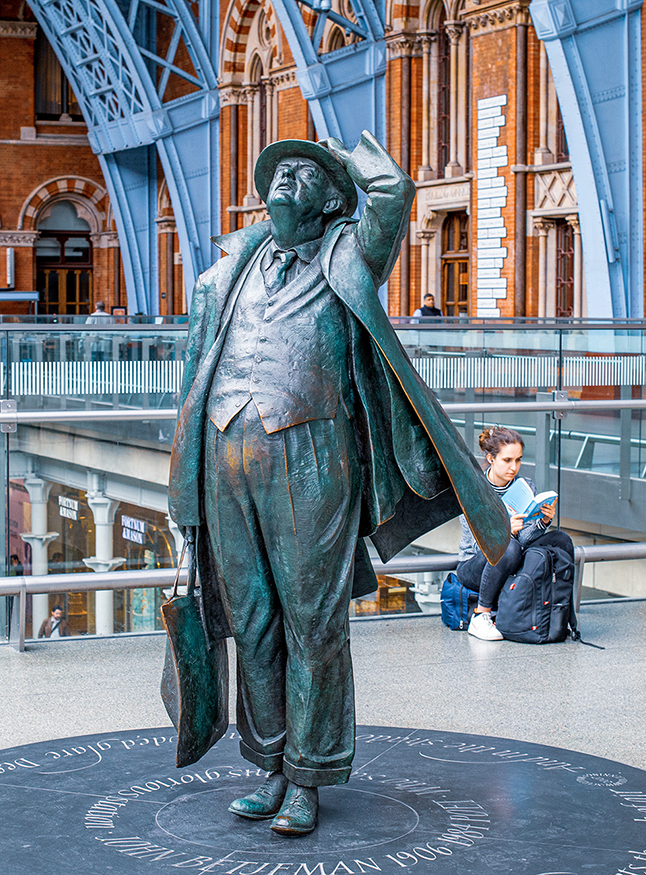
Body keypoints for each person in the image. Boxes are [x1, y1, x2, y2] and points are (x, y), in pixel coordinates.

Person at [168, 132, 509, 836]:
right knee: (254, 622)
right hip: (226, 457)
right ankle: (268, 763)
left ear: (328, 200)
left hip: (314, 459)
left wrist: (342, 158)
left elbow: (393, 194)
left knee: (313, 624)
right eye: (278, 172)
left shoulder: (347, 252)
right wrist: (186, 479)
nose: (285, 181)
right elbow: (195, 370)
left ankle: (309, 776)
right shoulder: (235, 262)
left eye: (304, 174)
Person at [457, 426, 574, 641]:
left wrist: (543, 521)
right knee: (507, 547)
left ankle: (561, 611)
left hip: (513, 556)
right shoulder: (474, 490)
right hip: (474, 566)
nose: (514, 467)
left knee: (560, 539)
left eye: (518, 460)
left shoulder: (524, 486)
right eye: (507, 460)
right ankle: (481, 616)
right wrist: (503, 531)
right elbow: (474, 546)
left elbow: (525, 541)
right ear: (491, 459)